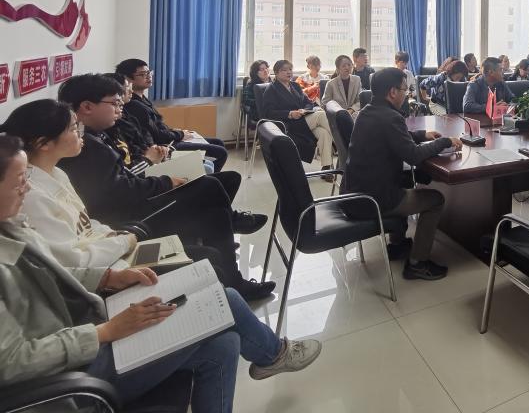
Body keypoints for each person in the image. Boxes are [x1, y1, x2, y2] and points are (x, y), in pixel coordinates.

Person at [0, 134, 321, 411]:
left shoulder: (12, 226)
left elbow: (51, 274)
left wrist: (107, 278)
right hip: (67, 379)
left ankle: (273, 355)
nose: (27, 188)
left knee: (223, 344)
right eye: (19, 182)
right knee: (226, 300)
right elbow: (11, 362)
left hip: (85, 327)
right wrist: (105, 332)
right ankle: (275, 355)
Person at [56, 74, 274, 301]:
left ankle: (231, 265)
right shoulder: (85, 146)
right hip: (130, 219)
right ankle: (232, 254)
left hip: (134, 199)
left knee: (216, 200)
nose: (120, 108)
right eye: (114, 103)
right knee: (209, 187)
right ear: (87, 107)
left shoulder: (100, 134)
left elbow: (124, 174)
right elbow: (121, 191)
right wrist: (164, 182)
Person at [344, 68, 464, 280]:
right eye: (404, 89)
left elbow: (393, 137)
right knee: (435, 200)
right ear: (392, 92)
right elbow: (413, 156)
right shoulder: (390, 117)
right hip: (373, 200)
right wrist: (445, 141)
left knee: (405, 182)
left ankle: (397, 245)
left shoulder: (367, 111)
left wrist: (422, 134)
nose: (406, 94)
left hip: (355, 192)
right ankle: (418, 263)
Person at [2, 98, 138, 268]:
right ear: (43, 143)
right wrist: (123, 243)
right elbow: (74, 262)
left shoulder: (57, 173)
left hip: (106, 256)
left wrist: (113, 235)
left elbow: (85, 226)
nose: (80, 134)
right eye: (74, 129)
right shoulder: (30, 196)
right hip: (96, 272)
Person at [117, 59, 229, 172]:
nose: (149, 76)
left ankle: (206, 174)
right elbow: (157, 136)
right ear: (128, 79)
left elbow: (157, 126)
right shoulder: (134, 105)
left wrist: (175, 132)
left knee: (218, 142)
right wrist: (180, 134)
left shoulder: (142, 99)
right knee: (220, 152)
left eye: (149, 72)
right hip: (164, 146)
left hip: (168, 140)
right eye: (142, 74)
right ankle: (205, 175)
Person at [262, 60, 335, 170]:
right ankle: (342, 142)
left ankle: (326, 167)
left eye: (290, 69)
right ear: (276, 73)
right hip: (288, 124)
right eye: (284, 70)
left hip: (303, 120)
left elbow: (309, 102)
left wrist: (304, 110)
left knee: (324, 132)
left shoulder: (295, 85)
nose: (289, 72)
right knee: (321, 115)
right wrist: (290, 114)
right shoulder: (271, 89)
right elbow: (268, 113)